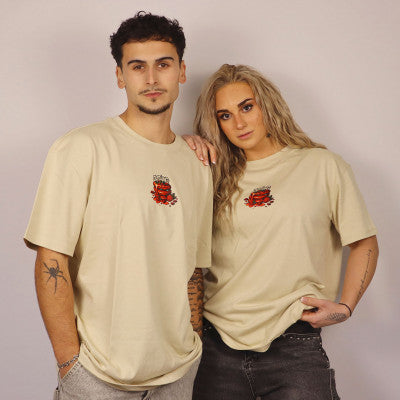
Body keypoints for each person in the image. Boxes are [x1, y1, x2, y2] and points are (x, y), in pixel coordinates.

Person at [24, 12, 212, 400]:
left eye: (163, 64)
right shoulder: (81, 148)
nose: (151, 79)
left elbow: (193, 268)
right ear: (119, 76)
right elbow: (51, 258)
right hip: (97, 376)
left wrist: (193, 344)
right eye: (137, 66)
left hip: (177, 374)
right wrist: (70, 365)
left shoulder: (196, 164)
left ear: (182, 71)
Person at [183, 64, 378, 400]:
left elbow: (364, 243)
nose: (239, 123)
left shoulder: (322, 166)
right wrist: (183, 146)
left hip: (294, 343)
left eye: (247, 107)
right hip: (216, 347)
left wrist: (346, 307)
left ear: (267, 104)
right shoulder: (211, 174)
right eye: (225, 116)